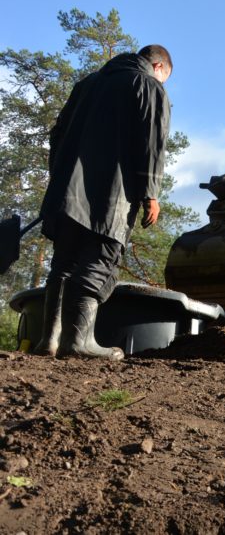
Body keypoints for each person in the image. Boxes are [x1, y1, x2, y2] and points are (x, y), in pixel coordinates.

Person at [37, 45, 173, 360]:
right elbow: (153, 142)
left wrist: (61, 177)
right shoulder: (149, 85)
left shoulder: (88, 83)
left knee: (63, 262)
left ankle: (49, 340)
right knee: (99, 258)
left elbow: (57, 133)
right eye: (165, 78)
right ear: (158, 67)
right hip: (112, 194)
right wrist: (151, 193)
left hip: (67, 192)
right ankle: (78, 342)